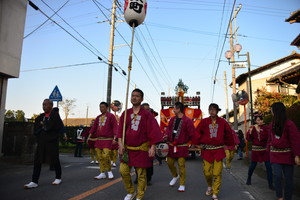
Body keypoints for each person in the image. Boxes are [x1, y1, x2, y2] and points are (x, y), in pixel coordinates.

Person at [117, 89, 162, 200]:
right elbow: (120, 131)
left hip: (142, 149)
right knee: (123, 171)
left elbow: (153, 131)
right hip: (128, 149)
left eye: (137, 96)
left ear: (142, 99)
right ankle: (131, 191)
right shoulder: (125, 113)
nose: (134, 97)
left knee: (141, 175)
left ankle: (140, 195)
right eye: (132, 95)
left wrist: (152, 146)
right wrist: (120, 144)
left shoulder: (147, 115)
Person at [193, 103, 234, 200]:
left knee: (217, 173)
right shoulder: (204, 121)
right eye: (210, 109)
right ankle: (209, 186)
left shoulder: (223, 122)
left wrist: (231, 144)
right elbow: (197, 132)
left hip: (219, 150)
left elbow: (228, 134)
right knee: (207, 172)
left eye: (214, 109)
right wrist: (196, 143)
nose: (212, 111)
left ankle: (215, 192)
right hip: (207, 150)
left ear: (217, 111)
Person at [24, 99, 64, 189]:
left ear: (51, 105)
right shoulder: (41, 116)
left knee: (55, 160)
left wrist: (44, 125)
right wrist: (44, 125)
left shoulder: (55, 116)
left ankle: (58, 177)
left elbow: (54, 127)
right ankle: (34, 181)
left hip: (52, 142)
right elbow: (37, 127)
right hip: (42, 142)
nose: (44, 106)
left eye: (45, 105)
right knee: (37, 161)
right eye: (43, 104)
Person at [268, 102, 300, 200]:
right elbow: (269, 140)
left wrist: (297, 155)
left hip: (288, 155)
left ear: (276, 111)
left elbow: (295, 140)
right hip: (275, 155)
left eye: (272, 109)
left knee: (288, 180)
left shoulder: (289, 124)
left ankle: (288, 197)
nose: (271, 111)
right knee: (277, 176)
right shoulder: (271, 124)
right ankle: (279, 197)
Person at [165, 102, 195, 192]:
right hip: (171, 145)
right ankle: (175, 176)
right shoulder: (172, 119)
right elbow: (168, 130)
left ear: (178, 109)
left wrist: (190, 142)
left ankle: (182, 183)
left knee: (181, 165)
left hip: (182, 146)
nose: (173, 110)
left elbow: (192, 133)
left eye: (174, 108)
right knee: (169, 162)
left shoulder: (187, 121)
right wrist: (166, 136)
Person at [88, 102, 118, 180]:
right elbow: (93, 128)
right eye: (100, 107)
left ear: (107, 108)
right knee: (99, 157)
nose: (101, 109)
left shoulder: (111, 116)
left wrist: (115, 137)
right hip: (99, 140)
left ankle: (109, 171)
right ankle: (102, 173)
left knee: (106, 156)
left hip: (108, 140)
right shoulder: (98, 117)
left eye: (103, 107)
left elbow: (115, 127)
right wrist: (89, 136)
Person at [246, 113, 274, 190]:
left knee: (269, 167)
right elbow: (248, 139)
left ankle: (270, 184)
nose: (260, 121)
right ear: (255, 121)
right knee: (252, 166)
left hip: (265, 150)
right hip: (255, 150)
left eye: (261, 119)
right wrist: (250, 131)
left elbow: (270, 136)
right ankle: (249, 177)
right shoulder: (252, 128)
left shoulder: (266, 128)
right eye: (258, 120)